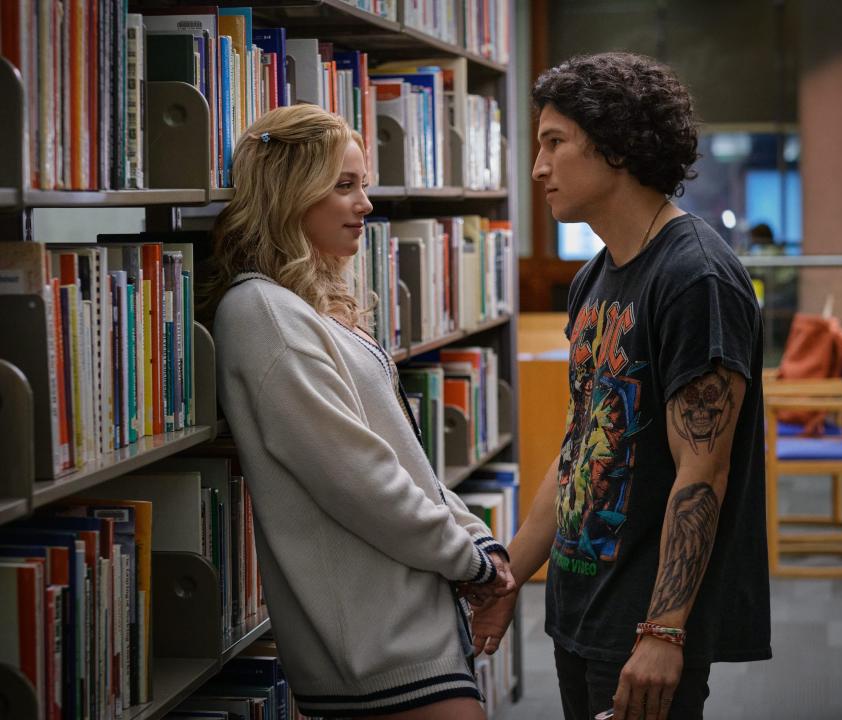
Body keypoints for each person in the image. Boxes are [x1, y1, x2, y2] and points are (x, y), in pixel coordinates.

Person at [472, 52, 772, 720]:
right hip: (579, 606)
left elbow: (704, 472)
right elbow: (581, 448)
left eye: (555, 143)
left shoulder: (695, 278)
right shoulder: (594, 278)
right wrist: (510, 575)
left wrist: (664, 630)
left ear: (615, 147)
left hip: (645, 625)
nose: (537, 167)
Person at [208, 104, 514, 719]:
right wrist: (473, 563)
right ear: (290, 196)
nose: (366, 205)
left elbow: (404, 460)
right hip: (376, 648)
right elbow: (359, 480)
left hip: (411, 623)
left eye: (364, 184)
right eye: (343, 186)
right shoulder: (263, 314)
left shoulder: (305, 307)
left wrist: (485, 547)